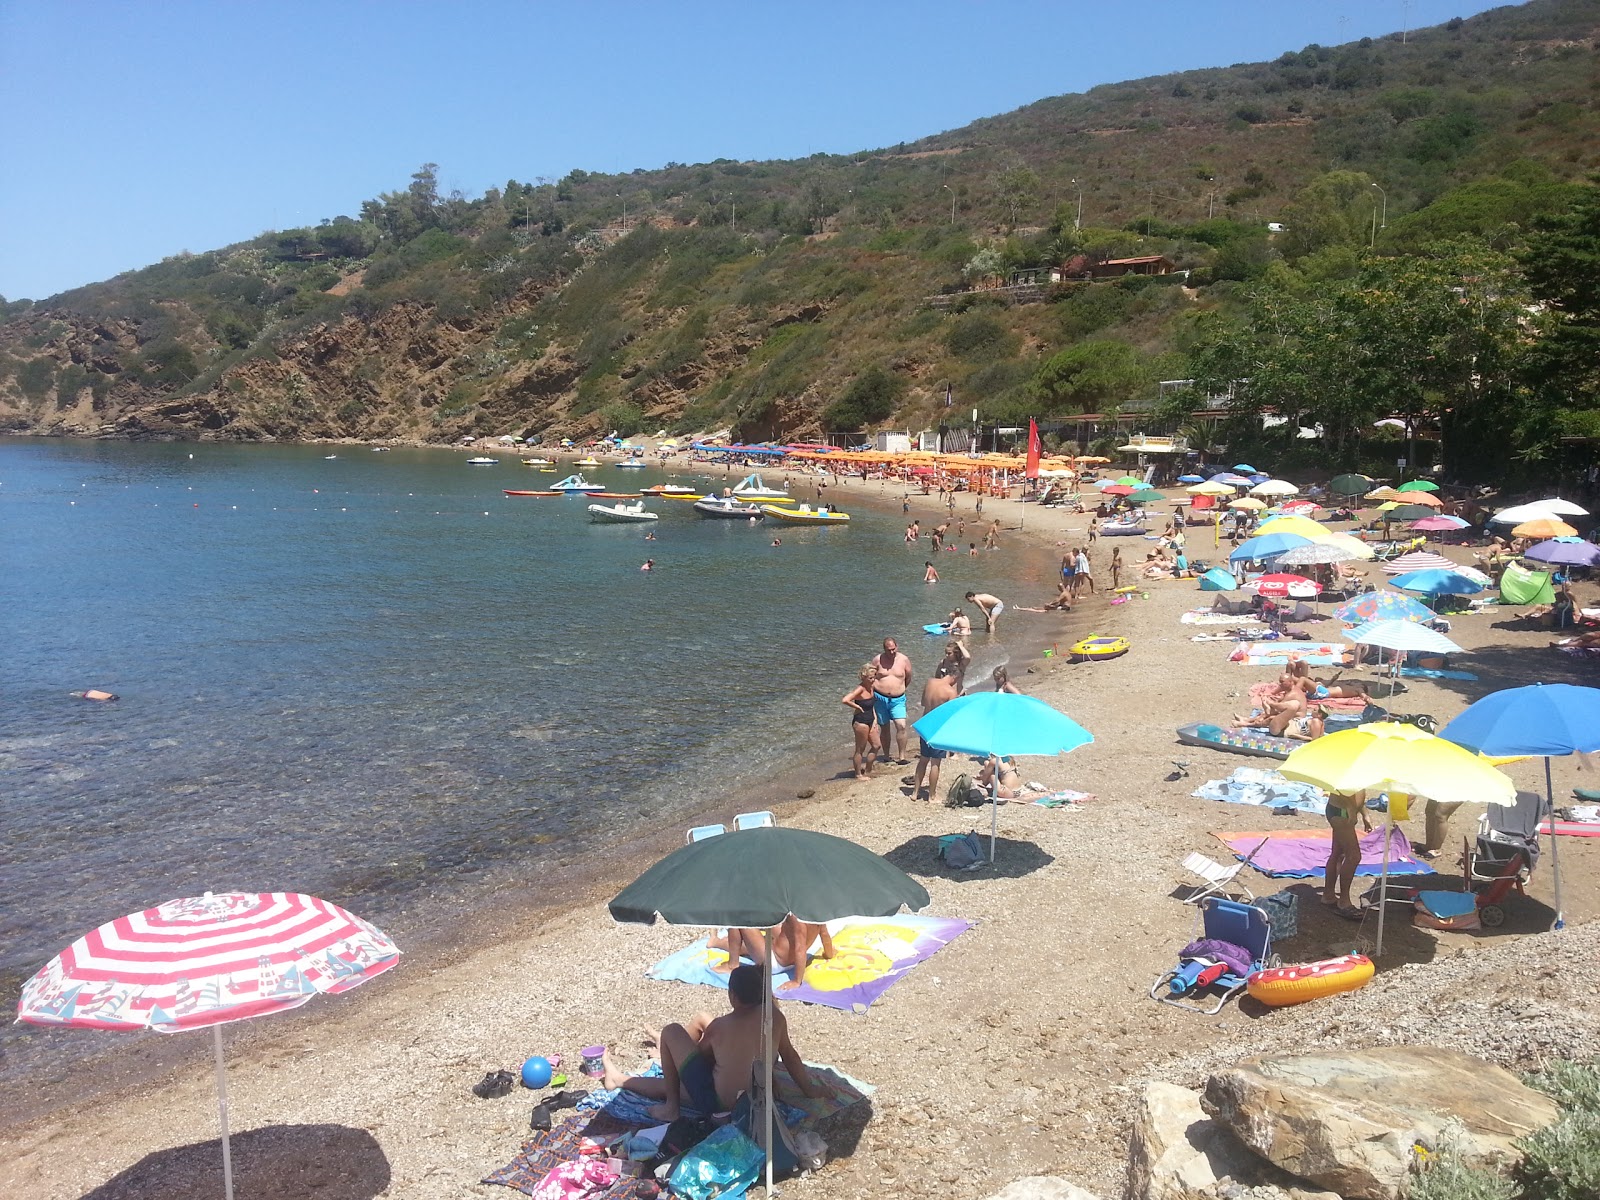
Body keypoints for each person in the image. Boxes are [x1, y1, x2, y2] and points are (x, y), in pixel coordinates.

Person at [603, 965, 825, 1120]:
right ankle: (663, 1056)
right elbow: (790, 1056)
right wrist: (809, 1090)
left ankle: (657, 1099)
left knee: (672, 1035)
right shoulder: (774, 1017)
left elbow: (698, 1060)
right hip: (758, 1095)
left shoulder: (721, 1026)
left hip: (721, 1106)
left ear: (733, 996)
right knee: (702, 1020)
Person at [909, 667, 961, 802]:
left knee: (923, 759)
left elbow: (922, 702)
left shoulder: (930, 682)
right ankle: (932, 796)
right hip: (938, 728)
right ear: (954, 677)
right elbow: (952, 716)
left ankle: (915, 792)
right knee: (935, 763)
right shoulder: (950, 692)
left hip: (925, 723)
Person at [1323, 790, 1370, 920]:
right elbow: (1340, 788)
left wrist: (1364, 814)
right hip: (1341, 812)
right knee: (1354, 856)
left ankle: (1328, 895)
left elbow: (1358, 792)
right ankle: (1344, 901)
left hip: (1341, 811)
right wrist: (1350, 807)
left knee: (1338, 853)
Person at [872, 637, 914, 764]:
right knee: (884, 728)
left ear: (897, 646)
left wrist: (899, 689)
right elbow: (869, 677)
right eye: (888, 650)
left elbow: (908, 677)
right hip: (880, 698)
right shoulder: (877, 660)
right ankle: (886, 755)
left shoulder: (904, 660)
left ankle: (902, 756)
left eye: (893, 649)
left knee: (901, 725)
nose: (891, 652)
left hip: (898, 699)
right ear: (884, 649)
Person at [773, 916, 837, 992]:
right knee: (778, 928)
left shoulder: (796, 915)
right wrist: (828, 954)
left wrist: (797, 981)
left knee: (755, 928)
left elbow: (800, 949)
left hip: (775, 961)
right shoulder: (818, 917)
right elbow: (825, 935)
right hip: (796, 961)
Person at [842, 663, 881, 779]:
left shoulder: (871, 687)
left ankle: (868, 769)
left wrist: (875, 720)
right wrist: (857, 707)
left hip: (870, 720)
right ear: (863, 677)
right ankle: (858, 774)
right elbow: (845, 700)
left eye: (874, 677)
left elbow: (872, 706)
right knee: (860, 749)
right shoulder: (860, 688)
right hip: (861, 722)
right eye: (870, 678)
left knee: (876, 745)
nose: (873, 680)